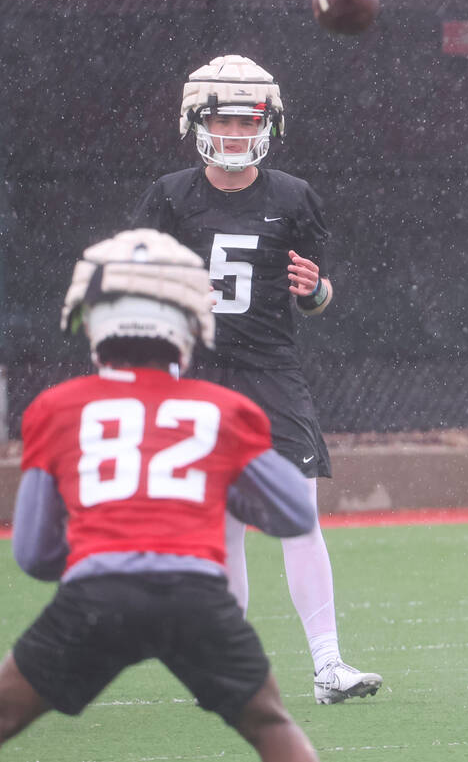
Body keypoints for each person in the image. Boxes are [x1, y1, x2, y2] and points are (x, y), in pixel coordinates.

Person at [0, 229, 320, 760]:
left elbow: (35, 554)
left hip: (95, 598)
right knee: (270, 725)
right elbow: (291, 514)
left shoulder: (55, 408)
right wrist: (227, 485)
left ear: (90, 316)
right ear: (193, 321)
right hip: (195, 596)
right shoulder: (222, 408)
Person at [128, 55, 381, 704]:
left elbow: (315, 298)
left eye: (249, 121)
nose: (237, 134)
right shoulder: (170, 195)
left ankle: (329, 665)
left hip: (271, 372)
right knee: (225, 526)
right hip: (199, 373)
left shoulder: (294, 197)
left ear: (268, 124)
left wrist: (318, 289)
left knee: (299, 516)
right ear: (198, 122)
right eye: (224, 120)